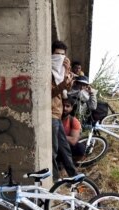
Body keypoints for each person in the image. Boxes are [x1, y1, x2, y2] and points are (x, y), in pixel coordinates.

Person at [51, 40, 78, 180]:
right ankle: (54, 180)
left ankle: (75, 178)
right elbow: (51, 92)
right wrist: (63, 83)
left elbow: (65, 93)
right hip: (50, 114)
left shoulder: (60, 72)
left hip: (57, 114)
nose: (59, 58)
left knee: (64, 148)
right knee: (54, 149)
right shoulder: (49, 72)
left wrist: (67, 73)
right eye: (56, 54)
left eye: (62, 55)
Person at [61, 97, 86, 162]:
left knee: (80, 148)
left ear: (72, 108)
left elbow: (73, 140)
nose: (64, 108)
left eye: (67, 106)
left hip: (65, 146)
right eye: (63, 105)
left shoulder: (74, 121)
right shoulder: (52, 118)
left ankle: (70, 163)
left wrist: (57, 135)